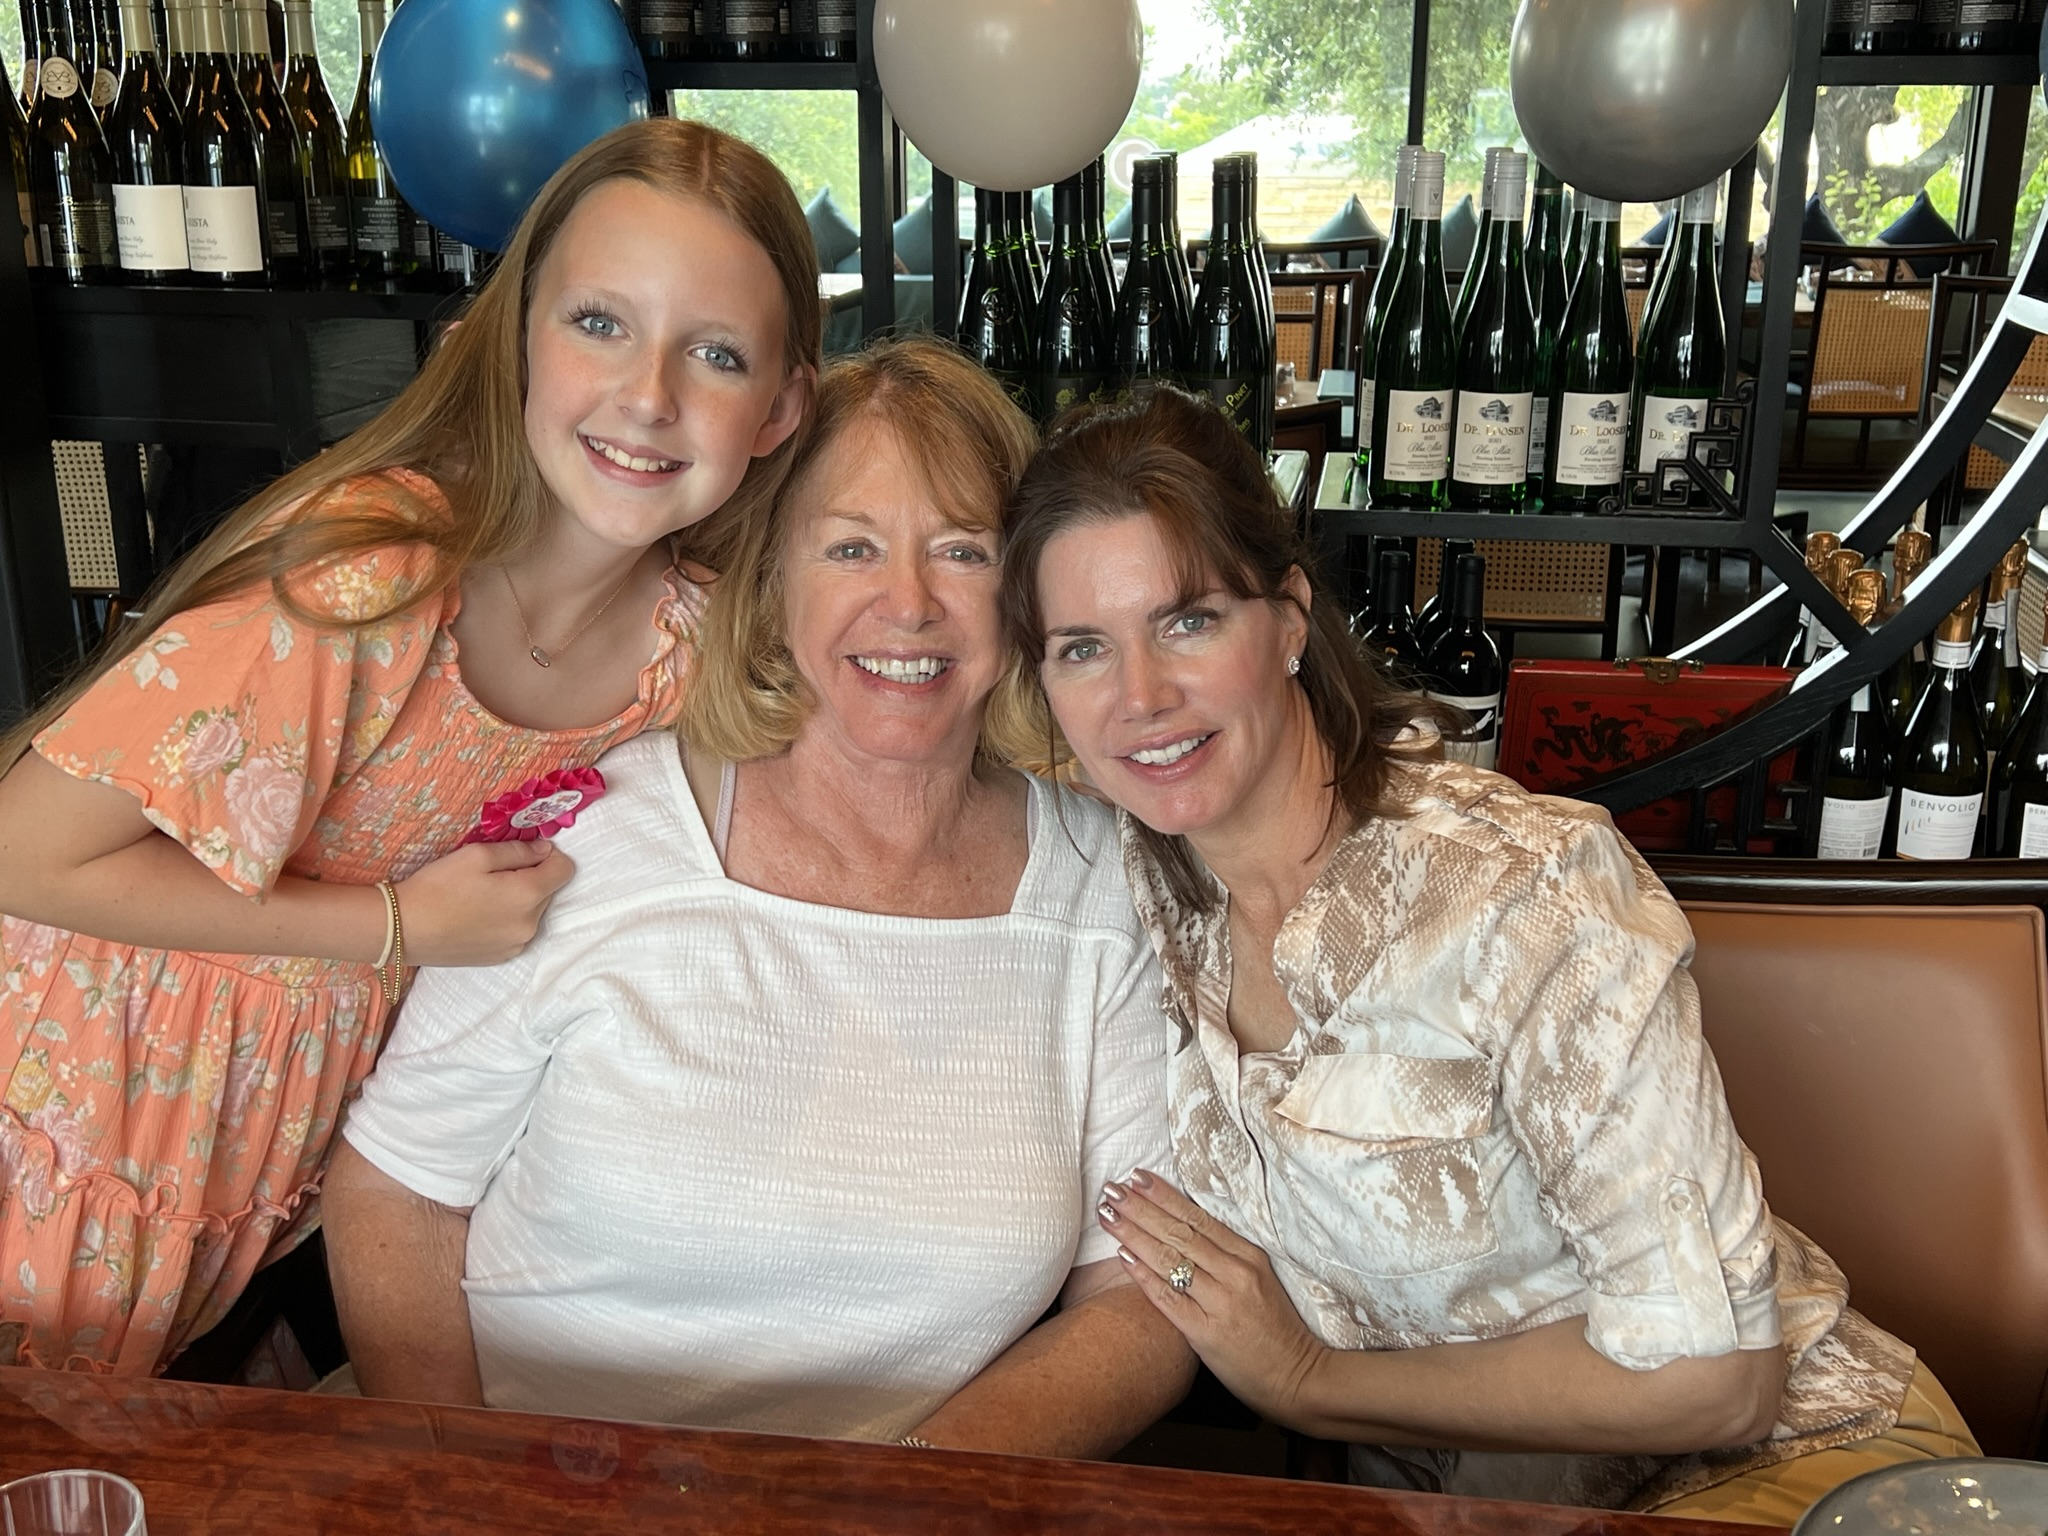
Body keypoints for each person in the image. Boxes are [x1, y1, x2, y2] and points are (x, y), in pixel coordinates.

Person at [999, 388, 1978, 1522]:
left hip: (1785, 1471)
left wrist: (1312, 1384)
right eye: (1082, 648)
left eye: (1187, 621)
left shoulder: (1522, 887)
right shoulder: (1130, 880)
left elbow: (1717, 1380)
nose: (1140, 696)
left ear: (1287, 621)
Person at [0, 117, 817, 1377]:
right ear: (514, 338)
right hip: (57, 1107)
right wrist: (395, 927)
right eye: (599, 323)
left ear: (778, 409)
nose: (648, 396)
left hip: (252, 1170)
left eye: (713, 354)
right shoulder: (373, 583)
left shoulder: (680, 649)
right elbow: (21, 854)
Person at [322, 339, 1196, 1454]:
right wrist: (472, 1488)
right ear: (773, 579)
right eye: (850, 546)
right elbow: (393, 1191)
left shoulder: (1101, 884)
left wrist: (900, 1504)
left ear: (1024, 592)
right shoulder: (595, 836)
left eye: (963, 551)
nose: (908, 604)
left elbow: (1139, 1292)